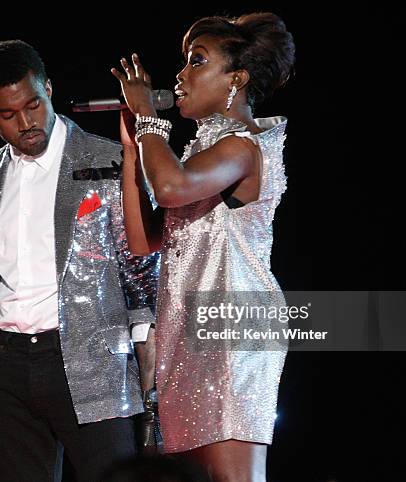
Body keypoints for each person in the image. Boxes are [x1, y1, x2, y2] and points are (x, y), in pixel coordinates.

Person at [0, 39, 160, 482]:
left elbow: (143, 286)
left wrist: (152, 399)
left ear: (48, 89)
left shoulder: (109, 161)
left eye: (33, 105)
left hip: (92, 363)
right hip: (6, 368)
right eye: (8, 114)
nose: (27, 122)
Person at [111, 13, 295, 482]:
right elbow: (142, 241)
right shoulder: (200, 154)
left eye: (197, 61)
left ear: (236, 79)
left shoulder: (243, 146)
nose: (179, 76)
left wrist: (152, 122)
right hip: (187, 329)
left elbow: (171, 188)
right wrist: (135, 149)